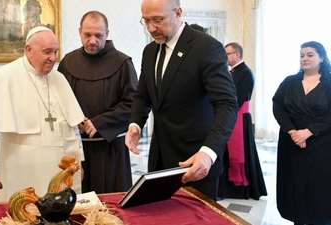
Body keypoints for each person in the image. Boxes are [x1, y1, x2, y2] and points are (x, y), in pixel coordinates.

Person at [125, 0, 239, 201]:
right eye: (146, 21)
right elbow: (143, 95)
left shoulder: (206, 47)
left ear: (177, 13)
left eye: (158, 20)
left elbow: (227, 104)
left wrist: (209, 152)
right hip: (159, 159)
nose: (151, 28)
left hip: (195, 160)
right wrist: (135, 123)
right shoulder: (150, 51)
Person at [0, 26, 85, 202]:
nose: (53, 58)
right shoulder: (4, 77)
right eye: (47, 52)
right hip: (20, 172)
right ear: (28, 50)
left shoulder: (59, 79)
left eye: (55, 52)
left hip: (58, 175)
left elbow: (72, 130)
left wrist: (77, 165)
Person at [57, 11, 138, 194]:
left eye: (98, 35)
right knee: (76, 199)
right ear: (80, 32)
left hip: (110, 148)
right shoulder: (68, 62)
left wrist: (99, 122)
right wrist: (73, 119)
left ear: (107, 34)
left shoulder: (123, 62)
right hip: (76, 147)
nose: (92, 41)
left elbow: (133, 103)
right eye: (87, 35)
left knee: (110, 203)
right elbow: (58, 100)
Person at [272, 41, 331, 224]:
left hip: (321, 143)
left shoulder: (329, 82)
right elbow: (278, 107)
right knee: (293, 183)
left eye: (310, 55)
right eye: (302, 55)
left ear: (321, 57)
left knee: (318, 185)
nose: (304, 58)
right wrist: (292, 132)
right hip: (292, 143)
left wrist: (310, 131)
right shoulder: (290, 82)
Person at [217, 42, 267, 200]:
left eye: (228, 54)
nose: (225, 57)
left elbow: (235, 99)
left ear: (237, 54)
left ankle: (239, 189)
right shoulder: (233, 71)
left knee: (241, 154)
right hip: (233, 115)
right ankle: (227, 188)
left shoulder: (245, 72)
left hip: (239, 118)